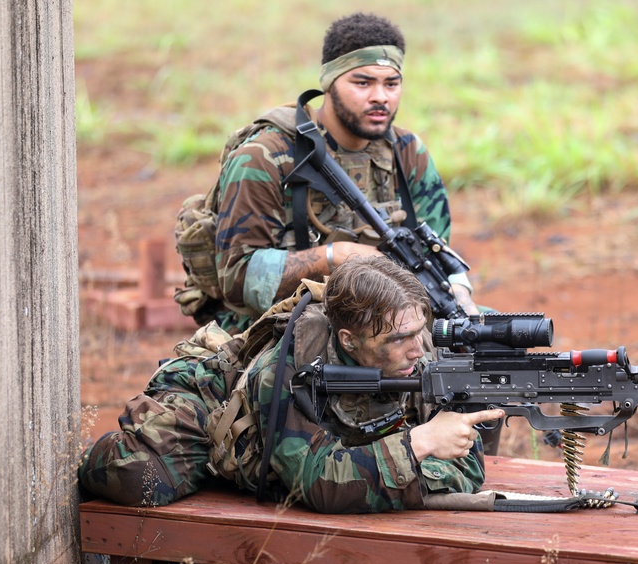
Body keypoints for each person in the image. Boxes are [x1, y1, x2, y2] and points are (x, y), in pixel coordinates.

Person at [79, 255, 502, 513]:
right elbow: (318, 486)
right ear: (348, 341)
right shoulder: (290, 367)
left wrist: (369, 474)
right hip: (215, 407)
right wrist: (417, 446)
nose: (417, 350)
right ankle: (79, 461)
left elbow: (467, 468)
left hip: (301, 439)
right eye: (397, 340)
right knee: (142, 478)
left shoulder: (414, 341)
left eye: (418, 332)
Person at [198, 11, 478, 335]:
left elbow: (435, 255)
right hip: (284, 326)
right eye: (362, 82)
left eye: (391, 83)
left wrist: (460, 296)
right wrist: (333, 257)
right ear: (329, 83)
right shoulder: (265, 156)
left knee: (496, 344)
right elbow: (237, 279)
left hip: (391, 319)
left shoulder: (406, 151)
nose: (380, 97)